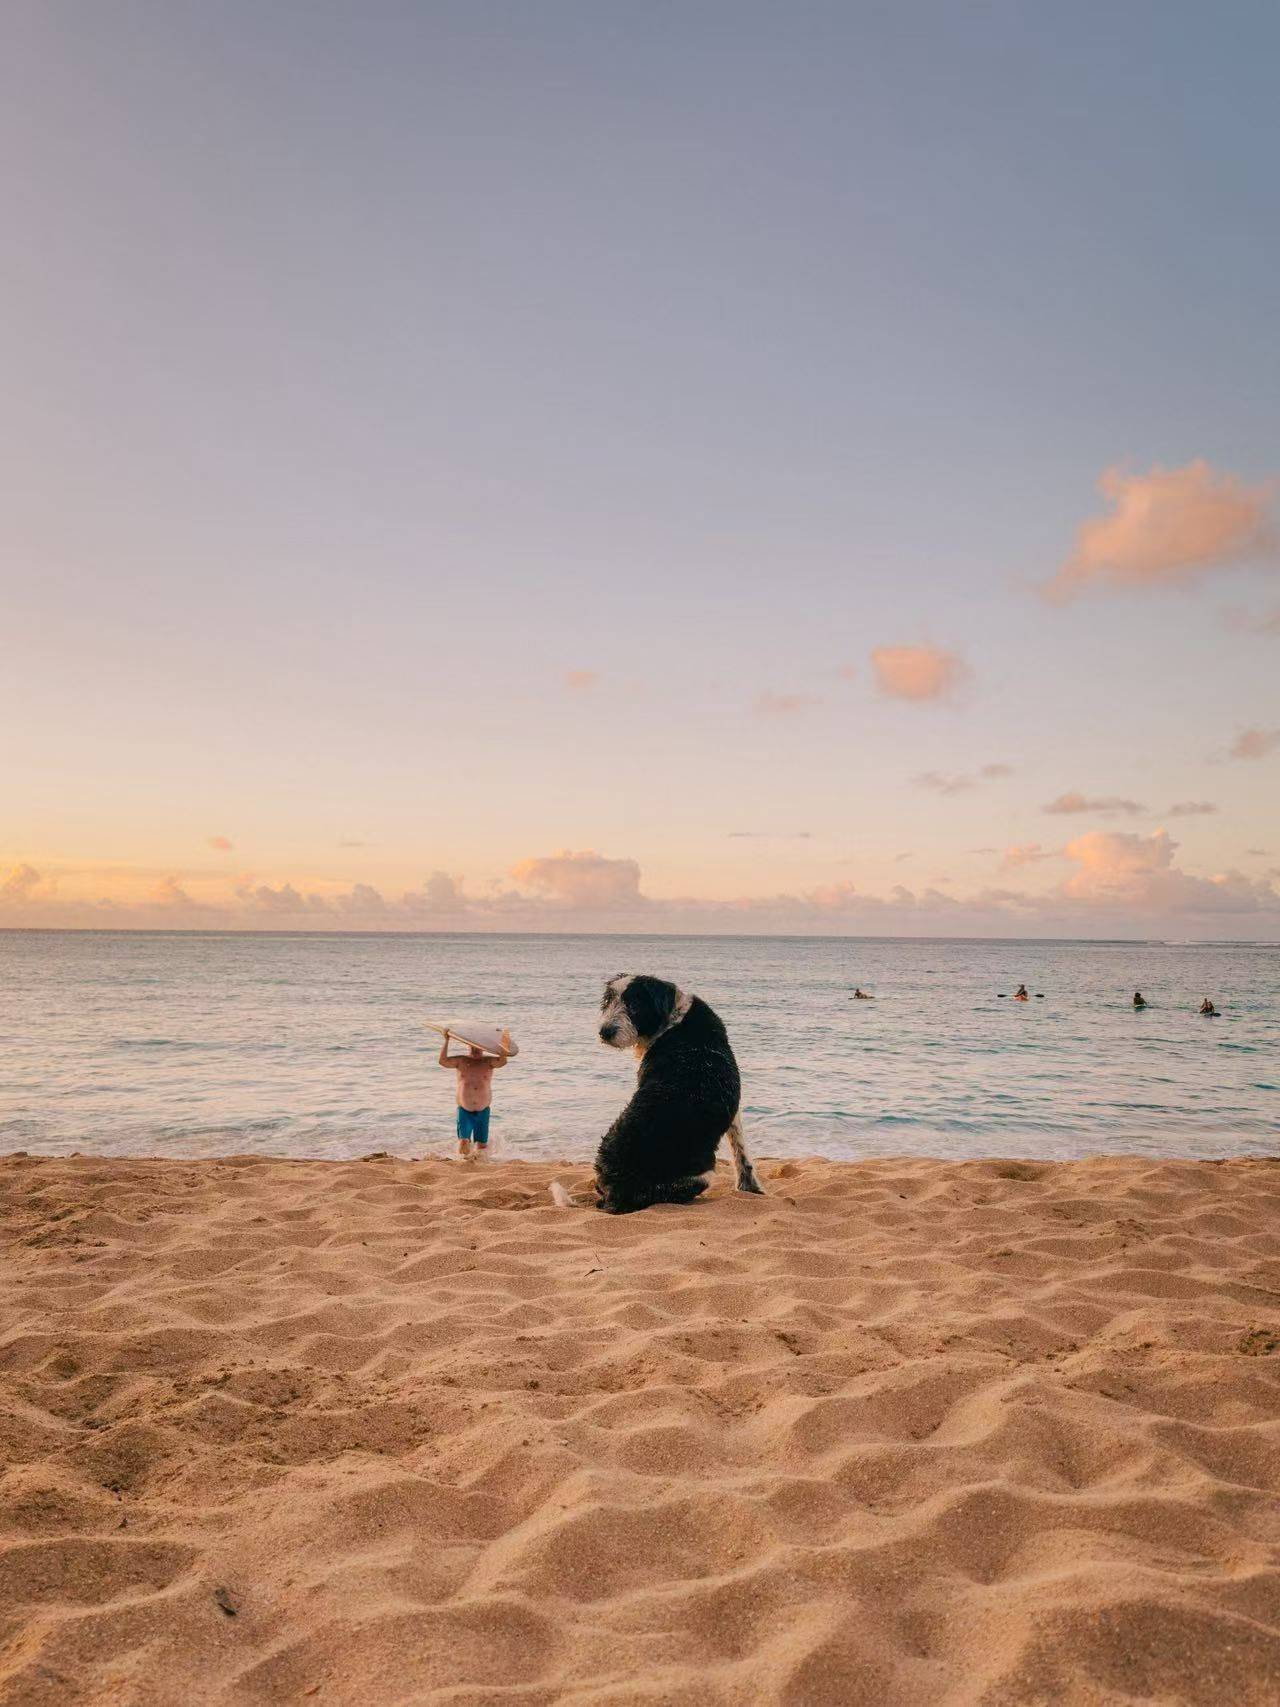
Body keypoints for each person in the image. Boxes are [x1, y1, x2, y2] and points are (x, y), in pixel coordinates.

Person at [438, 1030, 510, 1157]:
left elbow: (502, 1062)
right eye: (473, 1047)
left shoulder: (489, 1062)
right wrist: (447, 1040)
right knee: (464, 1142)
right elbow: (443, 1061)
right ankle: (463, 1163)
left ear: (483, 1048)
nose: (476, 1050)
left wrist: (502, 1042)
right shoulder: (460, 1061)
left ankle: (479, 1164)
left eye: (478, 1048)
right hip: (465, 1110)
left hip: (483, 1110)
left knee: (481, 1145)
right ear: (468, 1046)